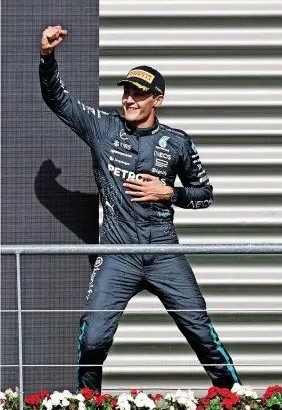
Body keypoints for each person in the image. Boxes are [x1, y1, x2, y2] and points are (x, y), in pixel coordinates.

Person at [39, 25, 241, 392]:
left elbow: (205, 194)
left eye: (139, 94)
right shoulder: (104, 128)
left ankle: (236, 398)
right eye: (127, 92)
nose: (129, 100)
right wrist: (47, 57)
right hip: (117, 253)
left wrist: (171, 193)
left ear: (157, 100)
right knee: (94, 338)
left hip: (164, 250)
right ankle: (88, 401)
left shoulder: (178, 142)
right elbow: (58, 100)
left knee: (200, 332)